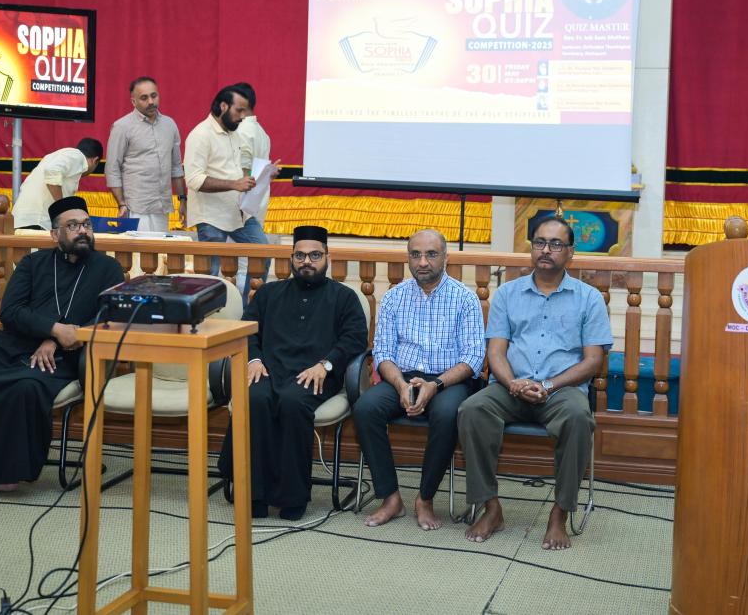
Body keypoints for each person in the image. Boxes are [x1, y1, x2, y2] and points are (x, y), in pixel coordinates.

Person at [0, 196, 124, 496]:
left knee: (26, 388)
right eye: (73, 226)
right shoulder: (33, 263)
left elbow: (107, 318)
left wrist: (56, 340)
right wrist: (53, 329)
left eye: (87, 225)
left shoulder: (107, 269)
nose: (83, 231)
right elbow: (12, 311)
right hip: (12, 344)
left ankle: (10, 474)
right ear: (55, 234)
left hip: (66, 355)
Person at [458, 216, 612, 550]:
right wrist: (514, 383)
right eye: (540, 242)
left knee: (578, 417)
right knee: (472, 409)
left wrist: (549, 386)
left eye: (556, 244)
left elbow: (592, 361)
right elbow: (496, 352)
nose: (546, 250)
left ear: (570, 252)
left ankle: (559, 513)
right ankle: (491, 507)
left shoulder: (589, 298)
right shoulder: (507, 293)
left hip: (562, 390)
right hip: (510, 387)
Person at [218, 225, 367, 520]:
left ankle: (292, 497)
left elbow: (355, 339)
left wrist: (326, 364)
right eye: (300, 255)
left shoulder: (344, 297)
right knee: (254, 399)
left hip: (316, 374)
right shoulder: (269, 293)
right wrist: (253, 360)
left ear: (327, 257)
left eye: (314, 255)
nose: (306, 261)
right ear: (291, 258)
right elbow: (247, 331)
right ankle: (254, 494)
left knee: (292, 402)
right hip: (268, 370)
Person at [354, 229, 484, 530]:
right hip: (402, 376)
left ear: (446, 257)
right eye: (416, 255)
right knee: (365, 409)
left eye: (431, 254)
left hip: (448, 380)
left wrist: (434, 385)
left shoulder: (465, 298)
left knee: (448, 413)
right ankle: (390, 498)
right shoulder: (393, 297)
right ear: (408, 258)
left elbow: (473, 358)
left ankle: (425, 498)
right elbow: (383, 352)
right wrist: (401, 385)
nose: (423, 262)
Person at [184, 84, 269, 294]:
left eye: (245, 111)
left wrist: (264, 175)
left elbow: (236, 172)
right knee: (210, 273)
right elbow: (193, 180)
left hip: (238, 212)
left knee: (263, 254)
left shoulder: (234, 133)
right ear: (223, 106)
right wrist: (234, 184)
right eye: (239, 110)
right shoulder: (200, 135)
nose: (243, 116)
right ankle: (208, 314)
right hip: (211, 216)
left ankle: (247, 309)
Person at [104, 77, 186, 232]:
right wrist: (121, 204)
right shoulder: (122, 127)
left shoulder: (169, 125)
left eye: (154, 96)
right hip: (135, 208)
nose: (151, 102)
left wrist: (183, 199)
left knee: (160, 248)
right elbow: (112, 169)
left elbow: (176, 167)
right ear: (133, 102)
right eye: (144, 98)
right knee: (139, 249)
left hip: (162, 207)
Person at [233, 82, 280, 295]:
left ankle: (242, 309)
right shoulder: (261, 131)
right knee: (249, 263)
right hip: (257, 202)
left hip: (241, 205)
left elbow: (242, 171)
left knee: (243, 265)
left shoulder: (242, 131)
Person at [11, 138, 103, 230]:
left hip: (23, 220)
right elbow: (52, 171)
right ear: (95, 160)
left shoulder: (57, 155)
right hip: (36, 221)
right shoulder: (77, 156)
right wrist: (62, 208)